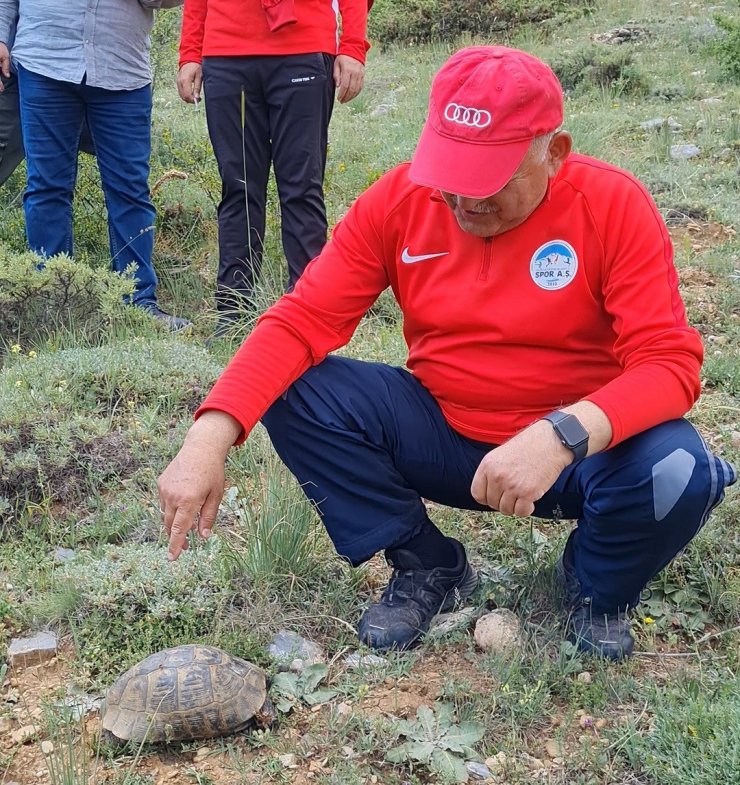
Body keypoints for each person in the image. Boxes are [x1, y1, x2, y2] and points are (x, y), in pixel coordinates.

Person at [158, 46, 736, 661]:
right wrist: (207, 440)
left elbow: (669, 364)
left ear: (554, 153)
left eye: (489, 181)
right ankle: (426, 562)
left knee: (679, 466)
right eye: (452, 176)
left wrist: (560, 434)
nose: (465, 203)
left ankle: (594, 586)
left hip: (579, 454)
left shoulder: (612, 206)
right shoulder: (402, 201)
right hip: (449, 434)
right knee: (294, 389)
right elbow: (300, 322)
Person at [176, 0, 369, 330]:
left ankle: (310, 314)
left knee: (301, 189)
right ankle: (233, 316)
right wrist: (190, 53)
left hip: (303, 51)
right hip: (227, 54)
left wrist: (352, 46)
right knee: (238, 190)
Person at [0, 0, 191, 331]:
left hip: (121, 65)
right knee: (47, 187)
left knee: (130, 191)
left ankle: (138, 303)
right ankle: (51, 305)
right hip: (45, 58)